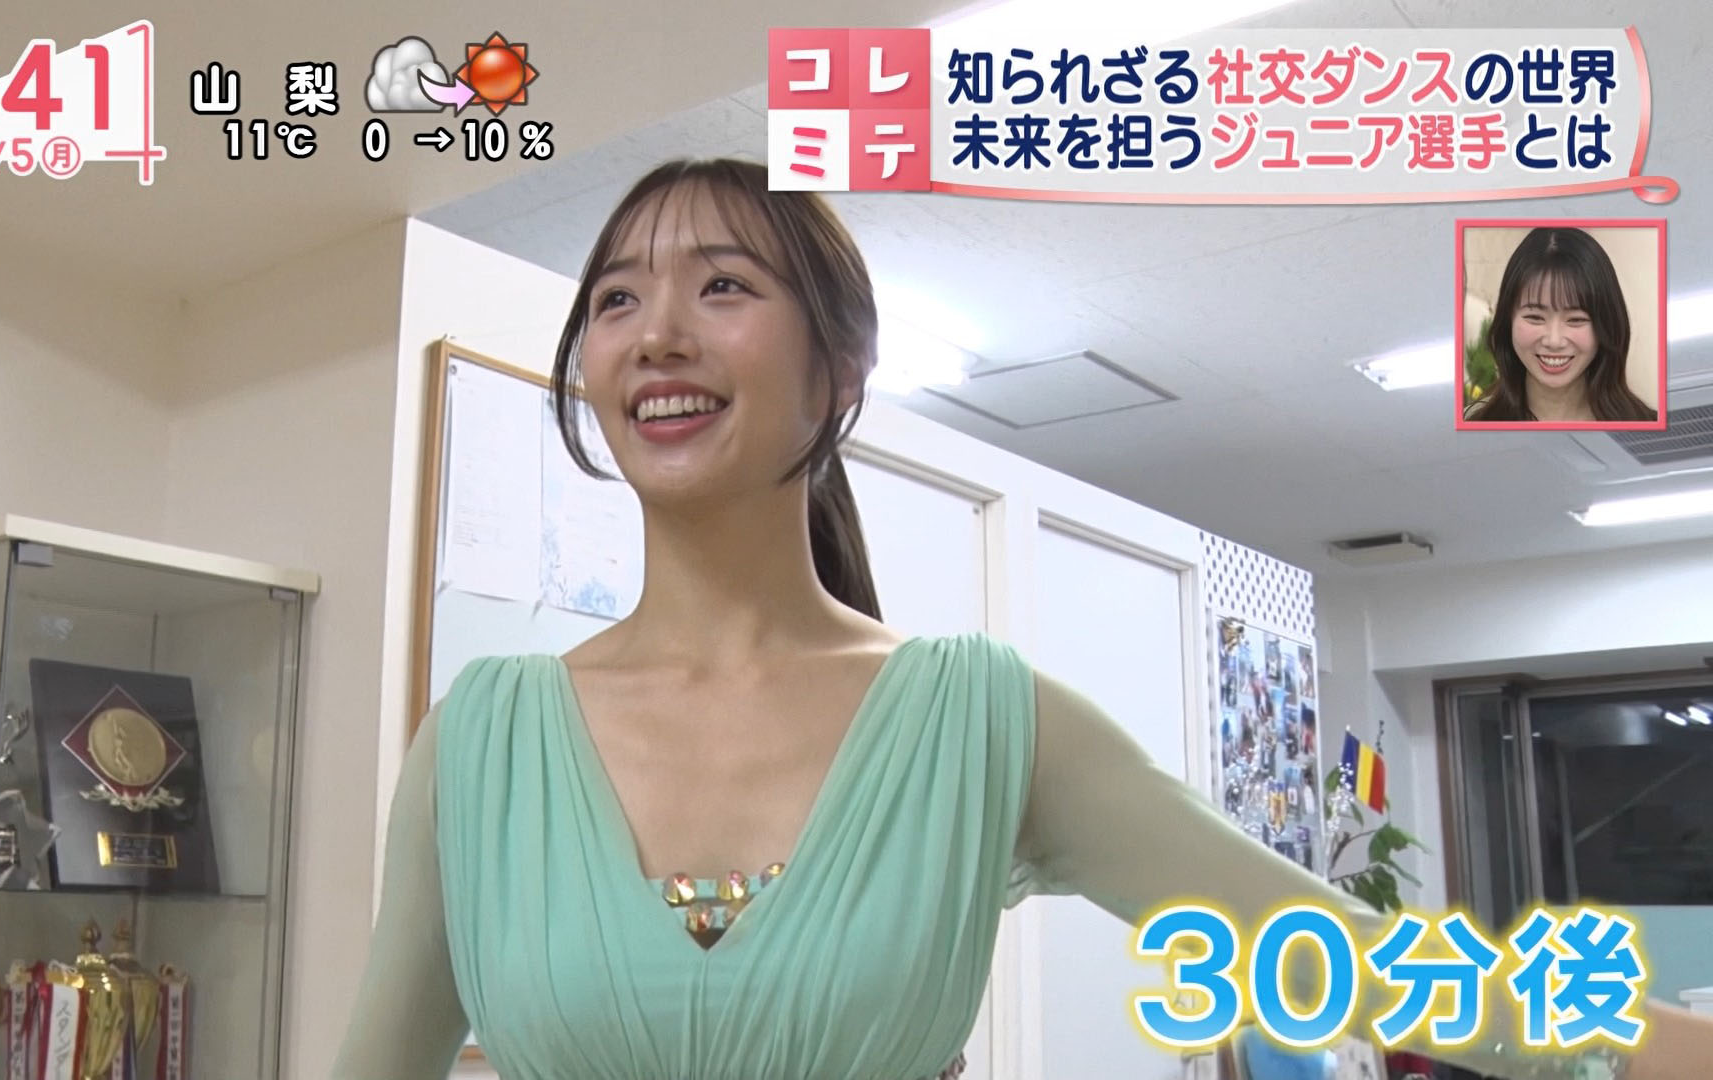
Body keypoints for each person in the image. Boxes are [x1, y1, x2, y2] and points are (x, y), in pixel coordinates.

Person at [330, 159, 1707, 1079]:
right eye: (616, 297)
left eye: (724, 285)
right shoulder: (480, 746)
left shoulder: (983, 721)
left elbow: (1347, 958)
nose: (656, 334)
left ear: (844, 368)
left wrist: (1658, 1045)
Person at [1463, 226, 1658, 424]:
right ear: (1508, 320)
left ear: (1607, 324)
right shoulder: (1471, 427)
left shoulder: (1649, 428)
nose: (1554, 341)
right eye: (1535, 317)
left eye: (1576, 319)